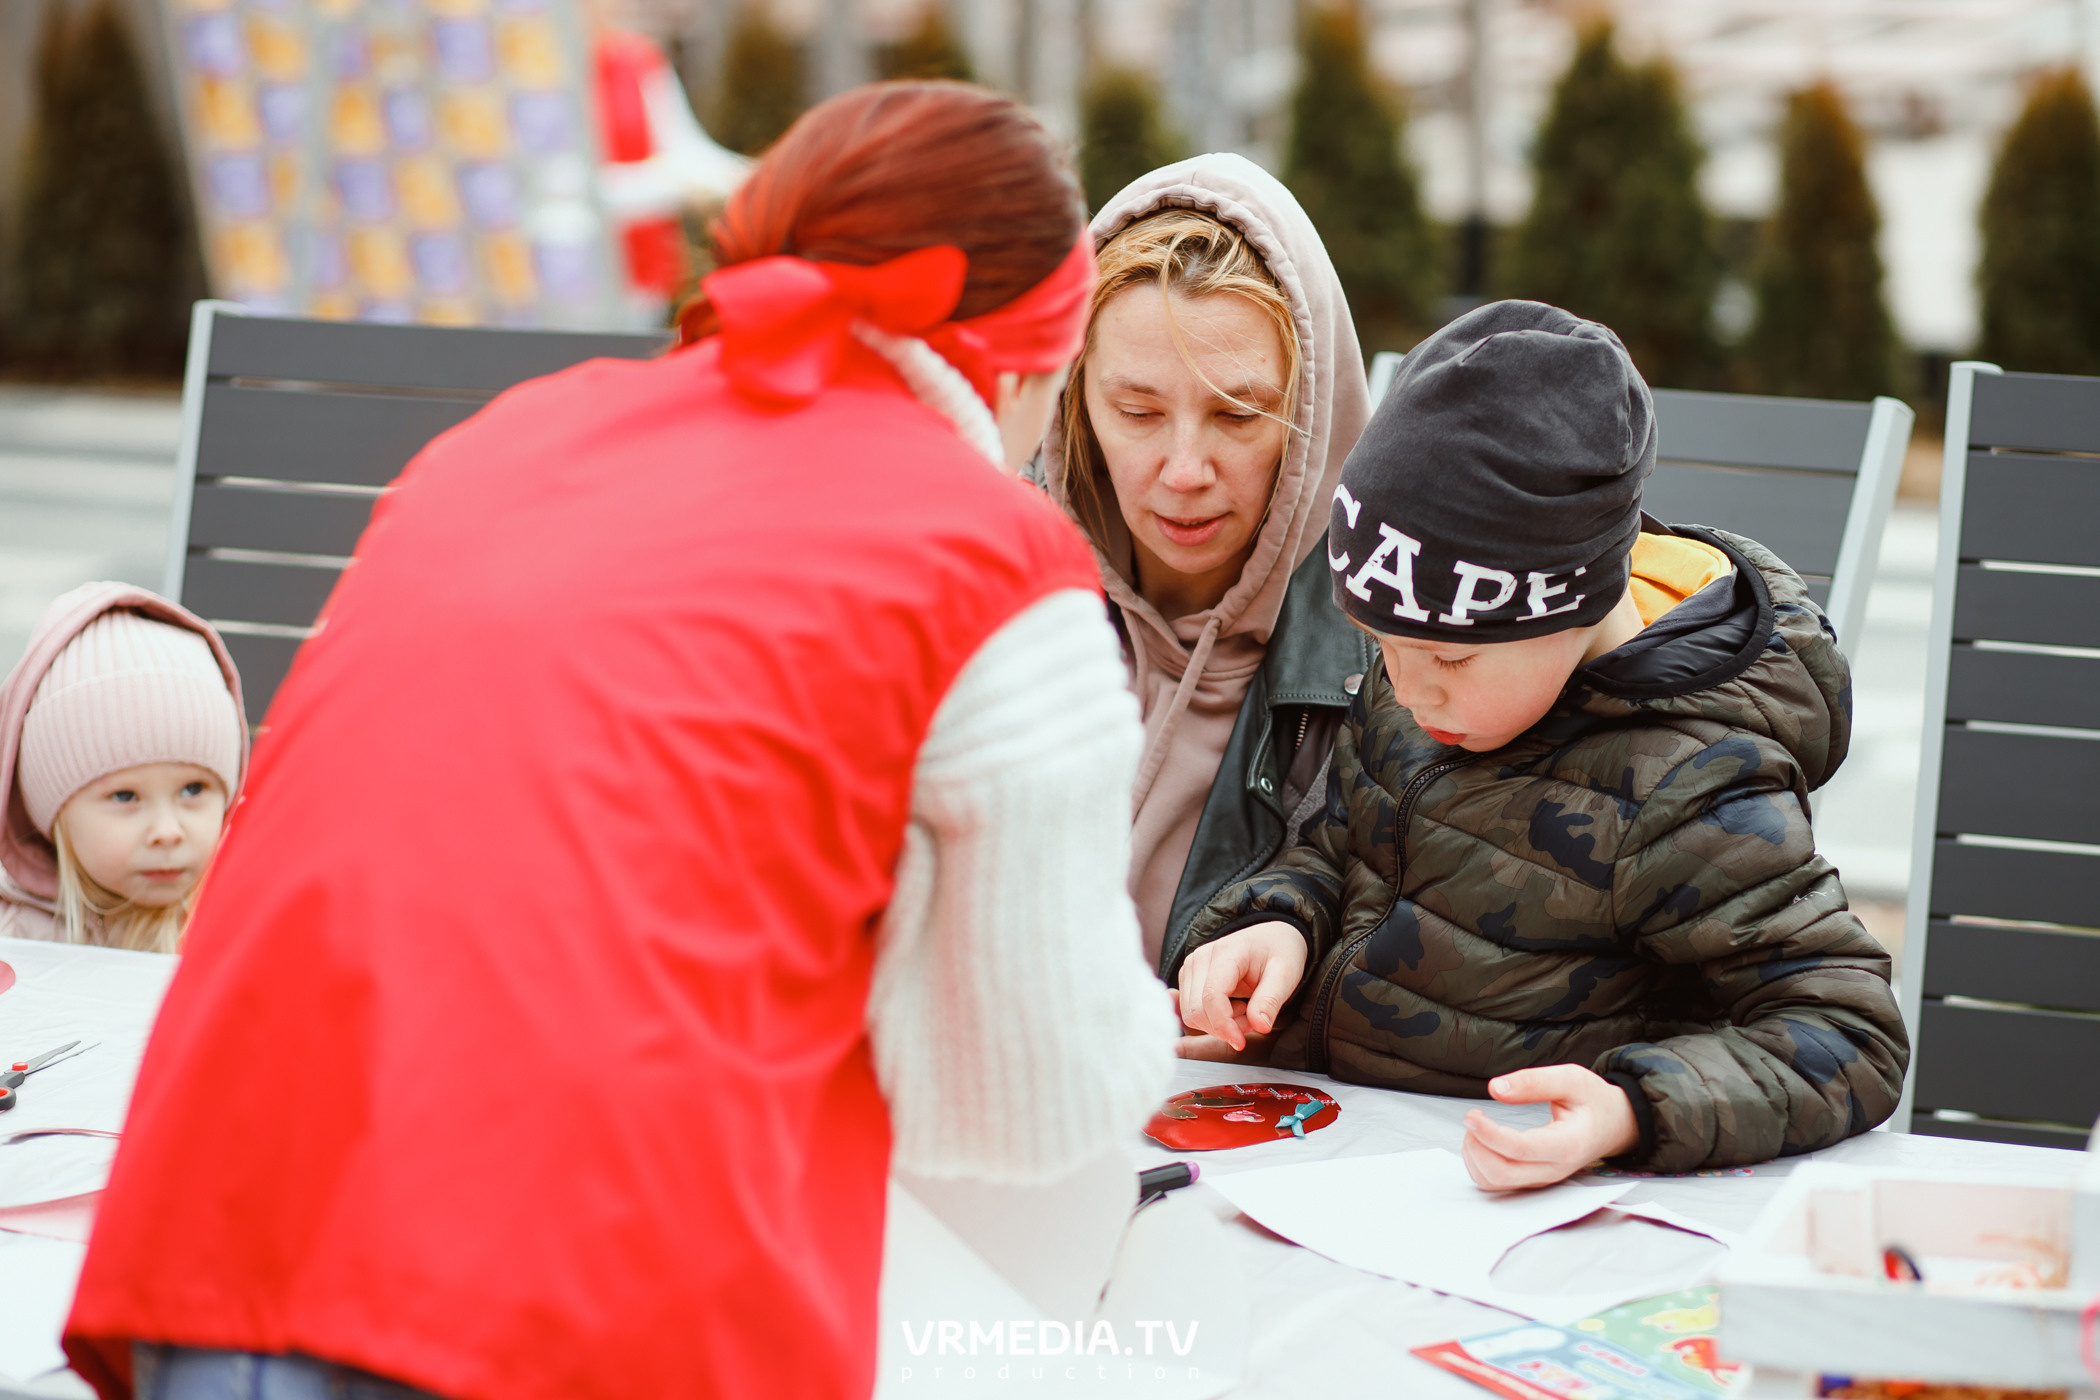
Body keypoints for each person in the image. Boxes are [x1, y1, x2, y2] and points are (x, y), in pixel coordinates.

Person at [66, 82, 1172, 1400]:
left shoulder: (512, 435)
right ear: (1037, 356)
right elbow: (1024, 1105)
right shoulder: (991, 556)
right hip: (581, 1296)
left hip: (224, 1240)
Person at [1172, 300, 1909, 1186]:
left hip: (1520, 1203)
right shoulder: (1431, 682)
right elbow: (1343, 840)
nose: (1408, 689)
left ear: (1576, 602)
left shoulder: (1691, 783)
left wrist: (1636, 1109)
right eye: (1383, 646)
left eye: (1447, 654)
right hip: (1341, 1150)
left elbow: (1849, 1033)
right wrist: (1280, 917)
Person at [1031, 154, 1372, 996]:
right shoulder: (980, 616)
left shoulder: (1410, 663)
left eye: (1237, 413)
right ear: (1075, 402)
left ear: (1310, 416)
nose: (1185, 470)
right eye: (1138, 412)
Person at [0, 583, 247, 953]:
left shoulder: (244, 931)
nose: (167, 832)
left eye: (193, 789)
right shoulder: (16, 940)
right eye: (125, 795)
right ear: (53, 817)